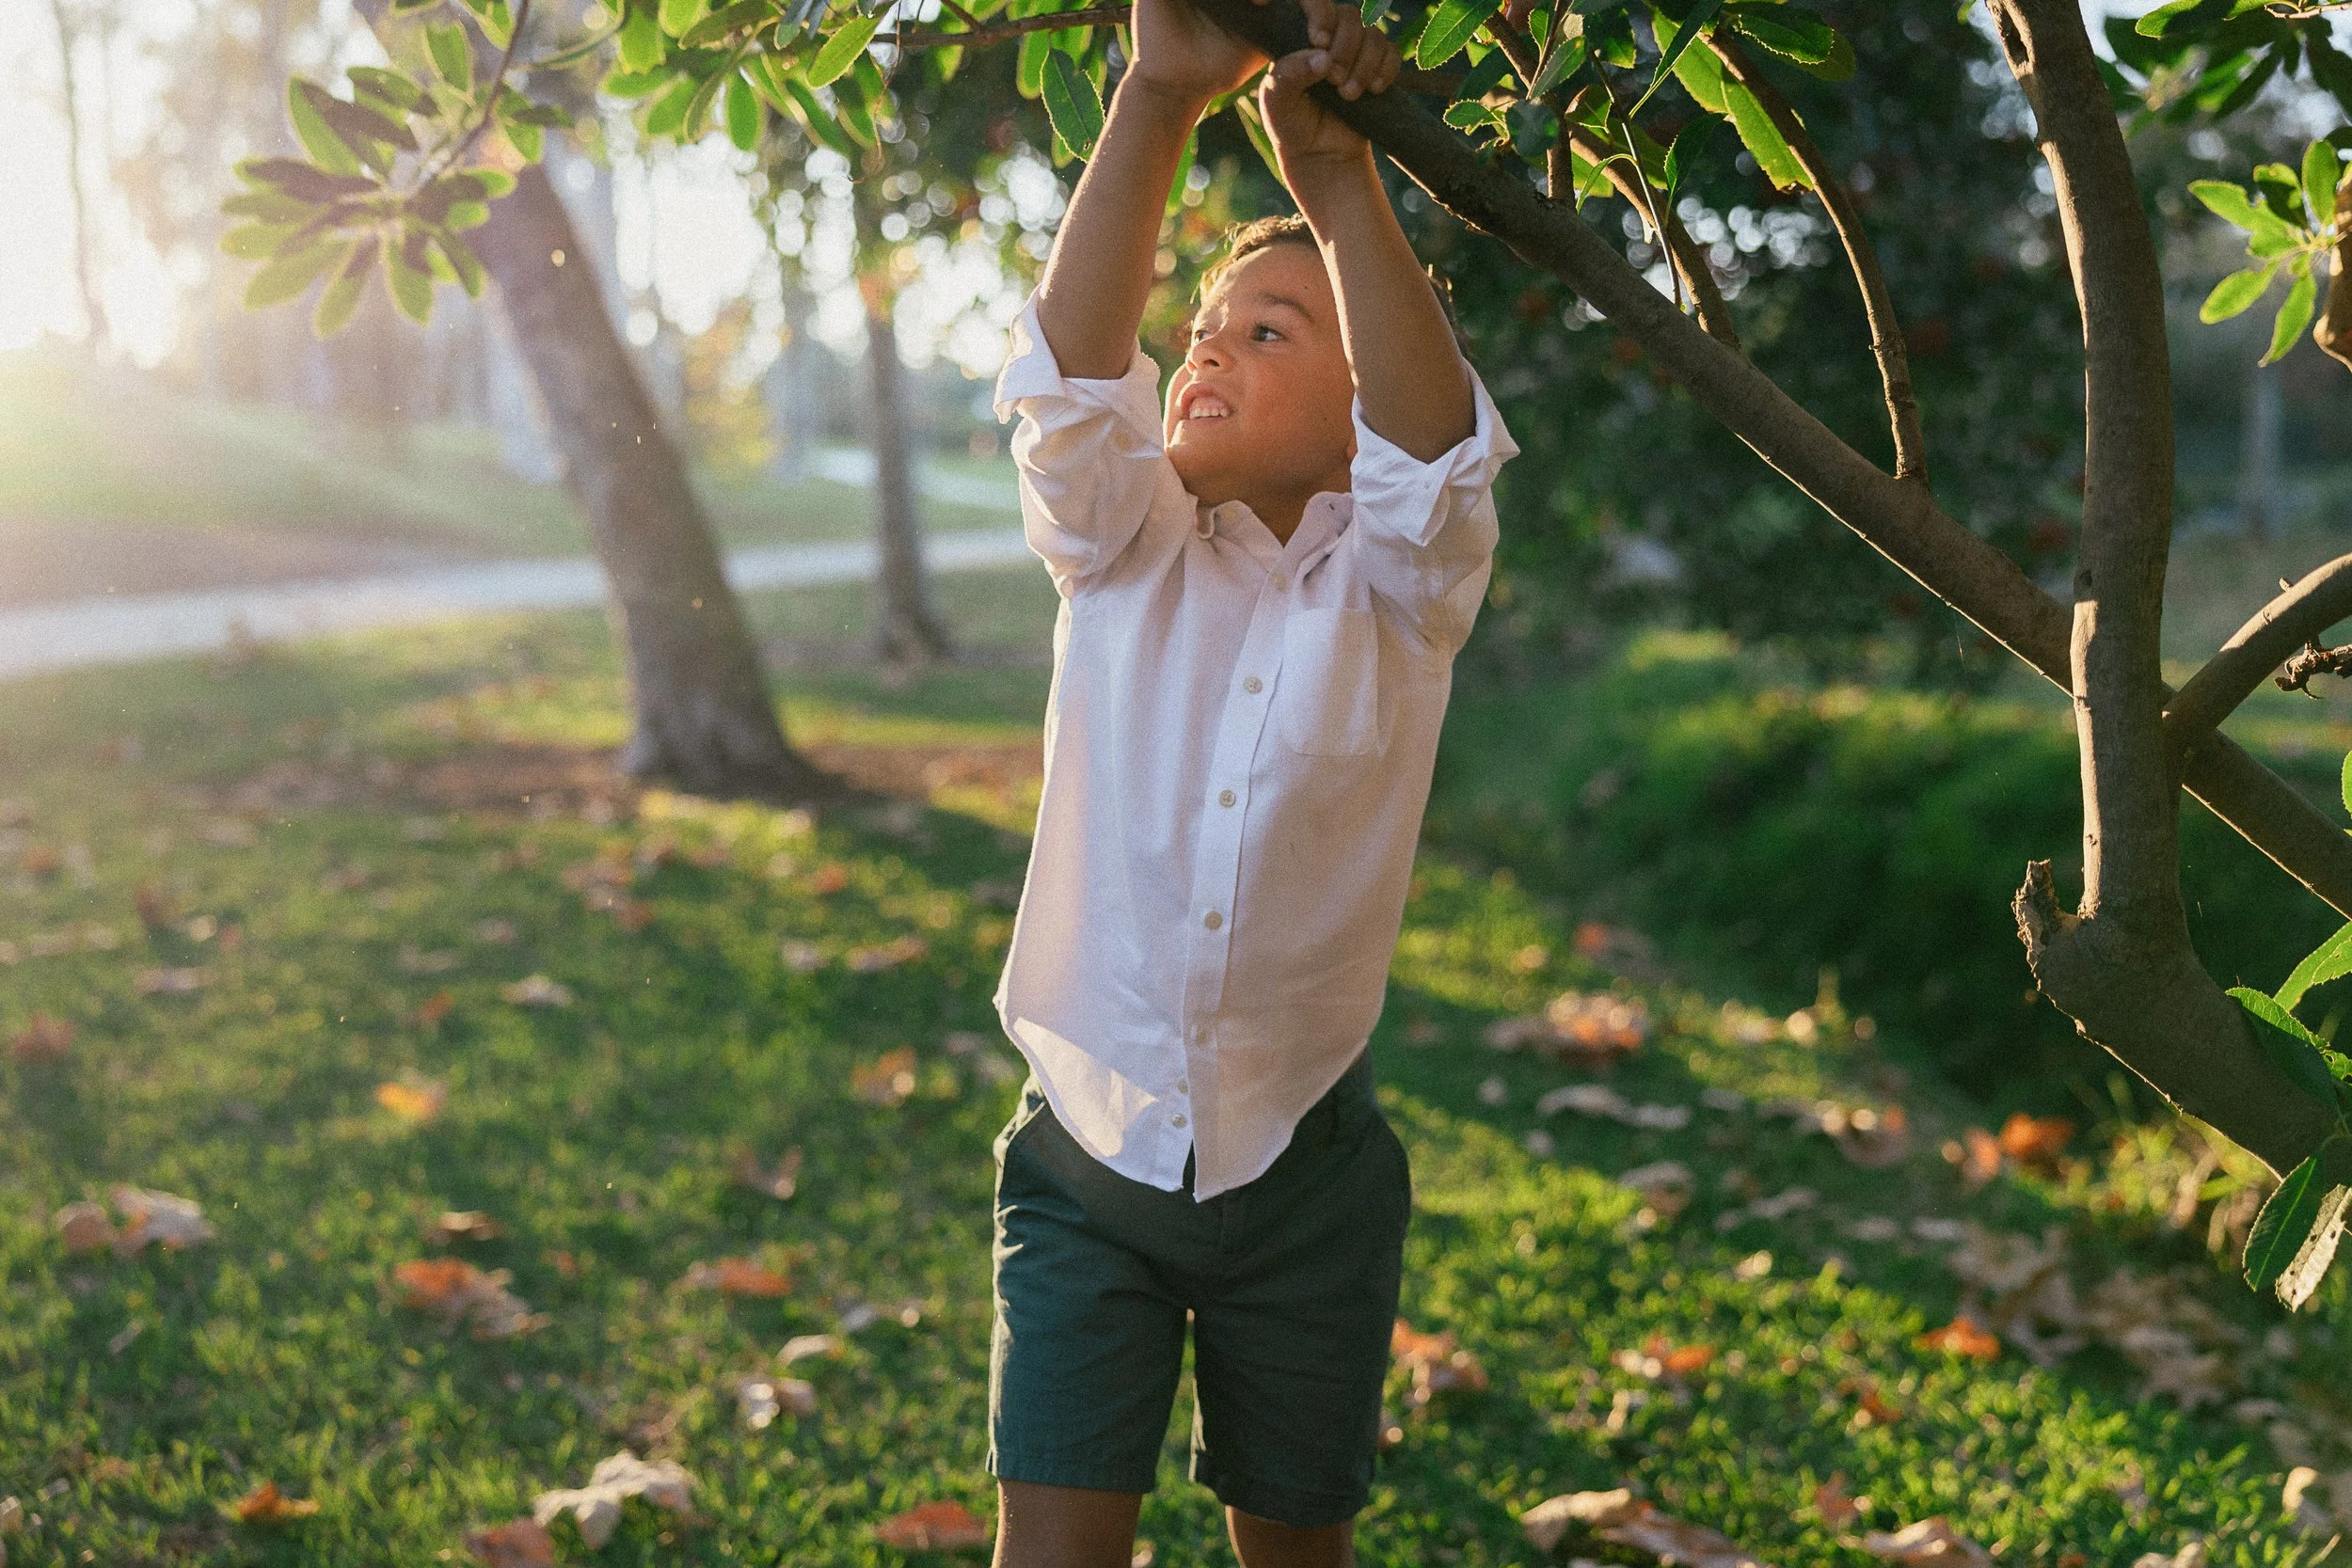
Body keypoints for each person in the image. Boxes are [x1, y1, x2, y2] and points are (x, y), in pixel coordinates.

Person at [984, 0, 1518, 1558]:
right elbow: (1073, 386)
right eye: (1206, 324)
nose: (1207, 343)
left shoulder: (1403, 589)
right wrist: (1157, 97)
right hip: (1089, 1155)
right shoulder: (1121, 543)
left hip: (1308, 1176)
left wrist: (1341, 182)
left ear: (1359, 412)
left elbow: (1435, 452)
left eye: (1268, 330)